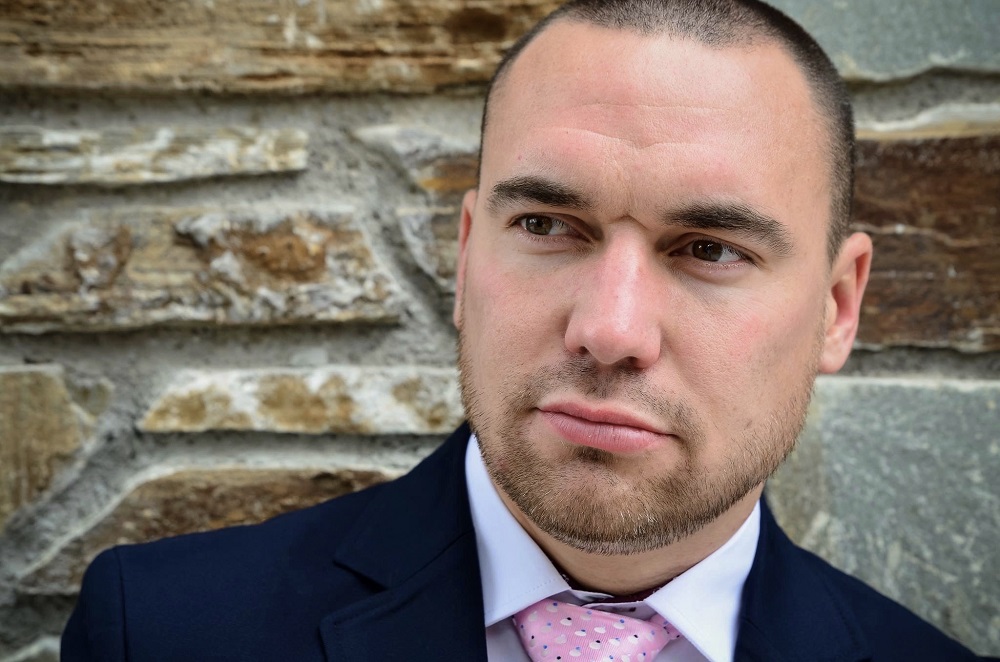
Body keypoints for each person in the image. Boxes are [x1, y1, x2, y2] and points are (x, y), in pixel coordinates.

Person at [62, 1, 983, 660]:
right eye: (547, 225)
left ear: (837, 307)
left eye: (709, 249)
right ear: (468, 255)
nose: (609, 330)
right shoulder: (163, 630)